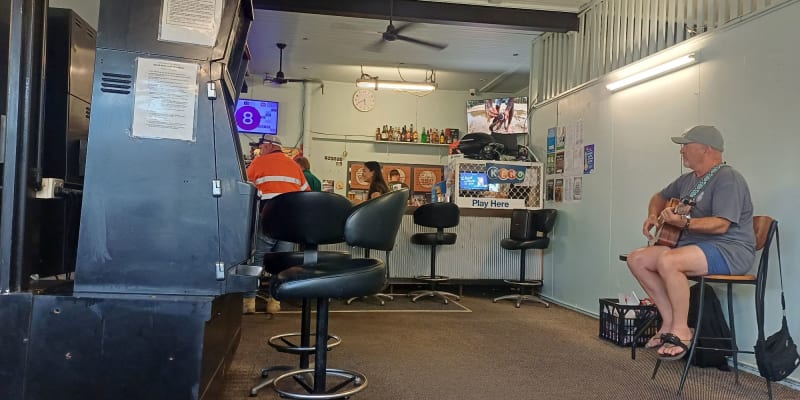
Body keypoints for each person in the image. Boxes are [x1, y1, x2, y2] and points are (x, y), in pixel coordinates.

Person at [626, 125, 755, 360]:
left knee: (669, 261)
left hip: (729, 250)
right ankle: (668, 322)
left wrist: (683, 222)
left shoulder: (729, 178)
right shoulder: (688, 180)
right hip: (692, 248)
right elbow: (659, 197)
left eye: (686, 145)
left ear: (706, 149)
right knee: (637, 259)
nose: (681, 150)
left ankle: (682, 330)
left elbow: (721, 225)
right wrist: (653, 215)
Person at [244, 135, 310, 314]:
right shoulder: (295, 166)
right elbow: (306, 193)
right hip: (289, 222)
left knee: (257, 258)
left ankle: (249, 301)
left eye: (261, 147)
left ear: (268, 146)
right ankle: (275, 302)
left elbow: (245, 189)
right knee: (282, 261)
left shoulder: (258, 163)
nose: (259, 150)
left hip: (268, 218)